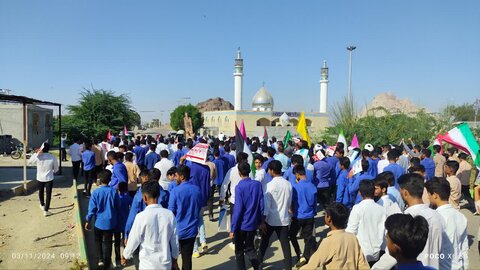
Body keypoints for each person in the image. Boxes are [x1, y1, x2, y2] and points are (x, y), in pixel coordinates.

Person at [372, 173, 445, 270]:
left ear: (405, 193)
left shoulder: (405, 220)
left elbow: (392, 254)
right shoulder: (437, 216)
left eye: (400, 191)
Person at [123, 181, 180, 270]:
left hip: (147, 265)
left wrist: (125, 255)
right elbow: (174, 241)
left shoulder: (141, 217)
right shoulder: (169, 215)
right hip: (165, 264)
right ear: (158, 195)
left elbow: (134, 240)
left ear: (144, 197)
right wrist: (175, 258)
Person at [300, 203, 370, 270]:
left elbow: (313, 264)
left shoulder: (329, 241)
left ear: (329, 218)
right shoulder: (352, 237)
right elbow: (362, 263)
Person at [425, 178, 469, 269]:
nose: (428, 197)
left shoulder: (435, 217)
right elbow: (464, 247)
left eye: (428, 194)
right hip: (459, 265)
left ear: (435, 195)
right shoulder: (461, 216)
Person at [259, 160, 293, 270]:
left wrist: (263, 221)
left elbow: (267, 206)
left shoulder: (269, 186)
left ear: (272, 171)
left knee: (264, 242)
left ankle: (258, 262)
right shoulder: (288, 184)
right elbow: (289, 202)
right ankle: (288, 266)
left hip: (271, 219)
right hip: (283, 218)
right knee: (285, 244)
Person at [230, 162, 264, 270]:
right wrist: (260, 221)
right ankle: (257, 267)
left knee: (239, 250)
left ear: (239, 173)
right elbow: (261, 205)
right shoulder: (257, 185)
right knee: (250, 248)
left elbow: (238, 209)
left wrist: (233, 228)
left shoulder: (239, 187)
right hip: (253, 222)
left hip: (241, 225)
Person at [168, 165, 201, 270]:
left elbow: (170, 212)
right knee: (187, 260)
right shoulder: (196, 189)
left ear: (182, 177)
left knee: (172, 259)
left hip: (177, 231)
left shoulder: (175, 191)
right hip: (191, 230)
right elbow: (199, 206)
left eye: (176, 176)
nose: (174, 178)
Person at [85, 170, 120, 269]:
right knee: (108, 243)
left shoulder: (95, 192)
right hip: (111, 222)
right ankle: (107, 263)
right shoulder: (114, 191)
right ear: (110, 180)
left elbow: (91, 209)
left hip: (98, 222)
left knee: (98, 241)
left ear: (99, 180)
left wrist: (88, 221)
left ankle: (100, 260)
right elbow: (117, 206)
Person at [346, 180, 386, 266]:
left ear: (360, 193)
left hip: (361, 253)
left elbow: (351, 231)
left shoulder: (357, 208)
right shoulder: (382, 209)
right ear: (373, 192)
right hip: (376, 253)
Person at [289, 165, 317, 268]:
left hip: (298, 215)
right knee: (308, 238)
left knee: (292, 235)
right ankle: (305, 256)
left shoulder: (296, 187)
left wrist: (291, 209)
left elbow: (293, 202)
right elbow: (314, 203)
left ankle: (298, 253)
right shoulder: (312, 186)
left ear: (297, 174)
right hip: (309, 215)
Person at [28, 142, 59, 217]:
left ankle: (42, 204)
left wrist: (36, 153)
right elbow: (56, 169)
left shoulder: (38, 156)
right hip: (49, 178)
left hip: (40, 177)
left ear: (41, 148)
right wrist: (53, 171)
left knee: (40, 192)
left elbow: (30, 162)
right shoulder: (52, 157)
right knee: (48, 194)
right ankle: (46, 210)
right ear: (49, 149)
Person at [116, 182, 132, 267]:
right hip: (126, 222)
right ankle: (125, 257)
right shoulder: (128, 198)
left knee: (117, 241)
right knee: (126, 240)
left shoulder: (117, 198)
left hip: (117, 222)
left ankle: (117, 258)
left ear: (118, 188)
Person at [210, 149, 226, 220]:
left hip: (215, 179)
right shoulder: (222, 162)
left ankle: (213, 205)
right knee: (221, 192)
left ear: (214, 155)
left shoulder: (213, 162)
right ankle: (221, 204)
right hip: (221, 178)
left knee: (212, 194)